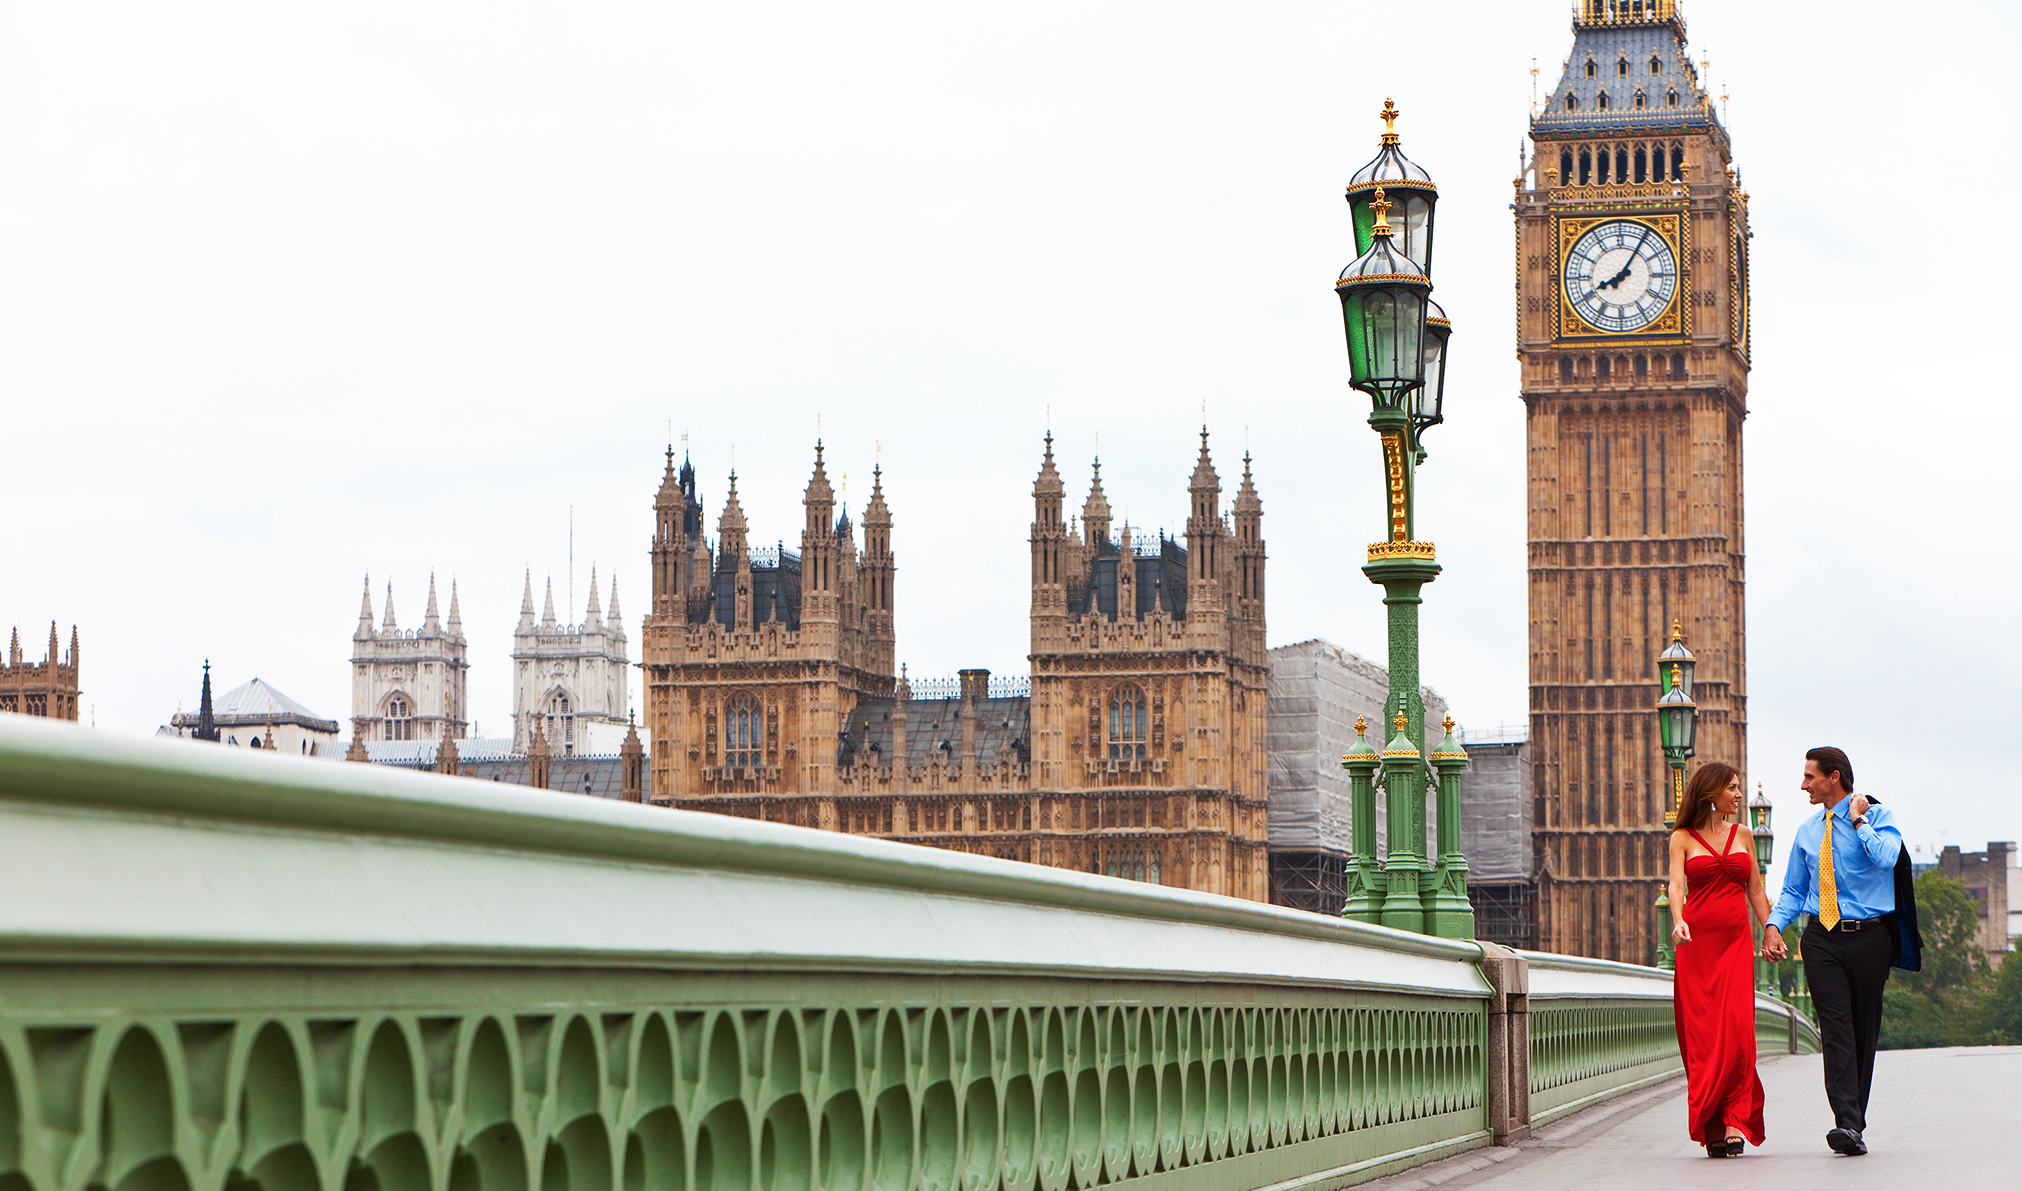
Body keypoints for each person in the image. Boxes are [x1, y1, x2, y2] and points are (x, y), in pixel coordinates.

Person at [1762, 746, 1905, 1157]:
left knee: (1862, 1028)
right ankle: (1847, 1121)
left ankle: (1854, 1121)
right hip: (1821, 938)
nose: (1803, 784)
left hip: (1868, 938)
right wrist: (1773, 926)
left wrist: (1859, 821)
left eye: (1810, 776)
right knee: (1837, 1029)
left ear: (1835, 777)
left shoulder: (1877, 817)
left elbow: (1886, 859)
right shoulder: (1808, 831)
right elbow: (1792, 890)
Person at [1668, 760, 1769, 1157]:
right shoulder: (1682, 838)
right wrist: (1677, 920)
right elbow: (1677, 885)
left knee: (1739, 1031)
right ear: (1711, 793)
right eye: (1732, 787)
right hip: (1697, 945)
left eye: (1739, 786)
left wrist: (1771, 930)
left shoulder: (1744, 834)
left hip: (1736, 944)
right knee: (1705, 1038)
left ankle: (1733, 1121)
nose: (1739, 794)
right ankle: (1711, 1122)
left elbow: (1756, 890)